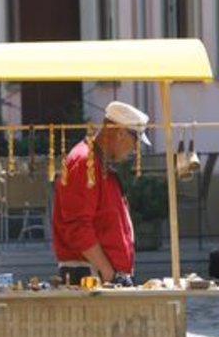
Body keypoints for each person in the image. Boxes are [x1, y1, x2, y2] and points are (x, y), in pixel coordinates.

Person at [52, 101, 151, 287]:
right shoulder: (85, 162)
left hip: (101, 275)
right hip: (92, 275)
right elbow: (78, 227)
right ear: (121, 133)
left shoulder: (97, 161)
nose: (135, 149)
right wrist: (108, 273)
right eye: (136, 140)